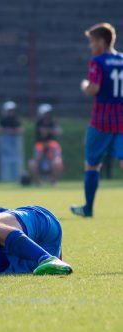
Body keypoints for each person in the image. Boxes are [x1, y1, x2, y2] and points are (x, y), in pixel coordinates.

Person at [71, 23, 123, 218]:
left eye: (92, 41)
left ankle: (88, 208)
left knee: (92, 165)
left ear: (101, 41)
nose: (90, 46)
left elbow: (94, 88)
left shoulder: (97, 61)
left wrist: (84, 85)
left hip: (101, 122)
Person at [28, 104, 63, 185]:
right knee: (32, 164)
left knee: (57, 162)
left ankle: (53, 181)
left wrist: (48, 131)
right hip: (42, 159)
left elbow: (59, 131)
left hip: (51, 159)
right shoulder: (38, 124)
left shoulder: (53, 123)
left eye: (48, 113)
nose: (46, 115)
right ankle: (37, 182)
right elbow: (37, 158)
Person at [0, 101, 24, 181]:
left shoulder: (17, 119)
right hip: (5, 146)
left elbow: (21, 130)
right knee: (5, 162)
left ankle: (16, 177)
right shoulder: (3, 120)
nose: (11, 112)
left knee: (16, 162)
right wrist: (10, 131)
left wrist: (9, 131)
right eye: (9, 110)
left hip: (15, 146)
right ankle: (5, 178)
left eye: (12, 110)